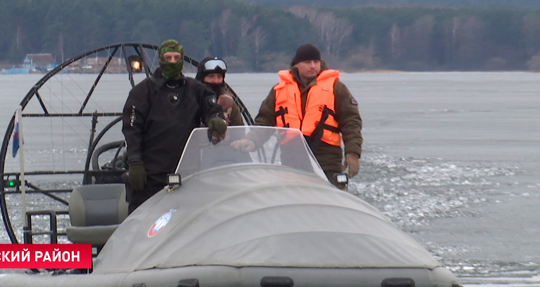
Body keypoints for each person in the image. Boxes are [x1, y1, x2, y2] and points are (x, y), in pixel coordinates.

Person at [233, 43, 362, 188]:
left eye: (316, 62)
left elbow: (351, 122)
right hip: (292, 159)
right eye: (307, 62)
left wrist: (353, 153)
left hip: (327, 159)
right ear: (296, 65)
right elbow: (265, 120)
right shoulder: (279, 90)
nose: (312, 66)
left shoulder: (337, 88)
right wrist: (252, 140)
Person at [122, 40, 227, 213]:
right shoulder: (142, 92)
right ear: (161, 59)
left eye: (176, 57)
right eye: (168, 57)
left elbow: (212, 107)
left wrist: (216, 119)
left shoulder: (195, 89)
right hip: (150, 172)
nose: (172, 62)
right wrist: (135, 162)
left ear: (182, 59)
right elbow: (131, 129)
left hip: (186, 171)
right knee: (145, 219)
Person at [195, 57, 244, 126]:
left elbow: (239, 131)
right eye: (211, 76)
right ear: (201, 79)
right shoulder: (190, 100)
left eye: (219, 77)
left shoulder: (228, 102)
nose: (216, 81)